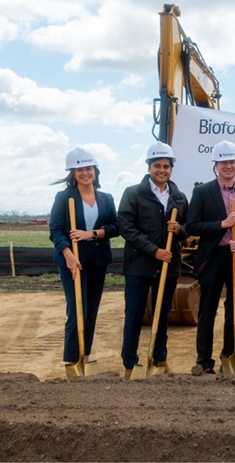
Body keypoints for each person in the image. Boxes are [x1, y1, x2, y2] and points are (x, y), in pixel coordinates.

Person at [185, 140, 235, 375]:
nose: (228, 166)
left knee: (234, 307)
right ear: (216, 165)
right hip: (214, 257)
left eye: (232, 162)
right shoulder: (202, 192)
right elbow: (192, 225)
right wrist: (222, 224)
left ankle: (229, 355)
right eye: (223, 162)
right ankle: (204, 360)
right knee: (207, 308)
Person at [117, 142, 189, 379]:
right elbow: (126, 228)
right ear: (149, 167)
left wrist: (179, 230)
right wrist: (153, 250)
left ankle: (159, 359)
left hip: (169, 265)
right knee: (135, 314)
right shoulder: (133, 193)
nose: (162, 170)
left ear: (171, 168)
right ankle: (130, 363)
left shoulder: (179, 197)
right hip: (140, 264)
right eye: (157, 165)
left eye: (166, 166)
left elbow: (189, 229)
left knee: (162, 313)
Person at [49, 147, 119, 369]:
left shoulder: (106, 199)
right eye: (79, 170)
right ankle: (72, 359)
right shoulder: (64, 198)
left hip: (98, 260)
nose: (84, 173)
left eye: (88, 168)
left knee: (92, 310)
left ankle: (85, 357)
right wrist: (68, 255)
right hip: (73, 262)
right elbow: (56, 230)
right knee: (77, 309)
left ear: (95, 171)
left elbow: (116, 227)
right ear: (73, 173)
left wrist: (93, 233)